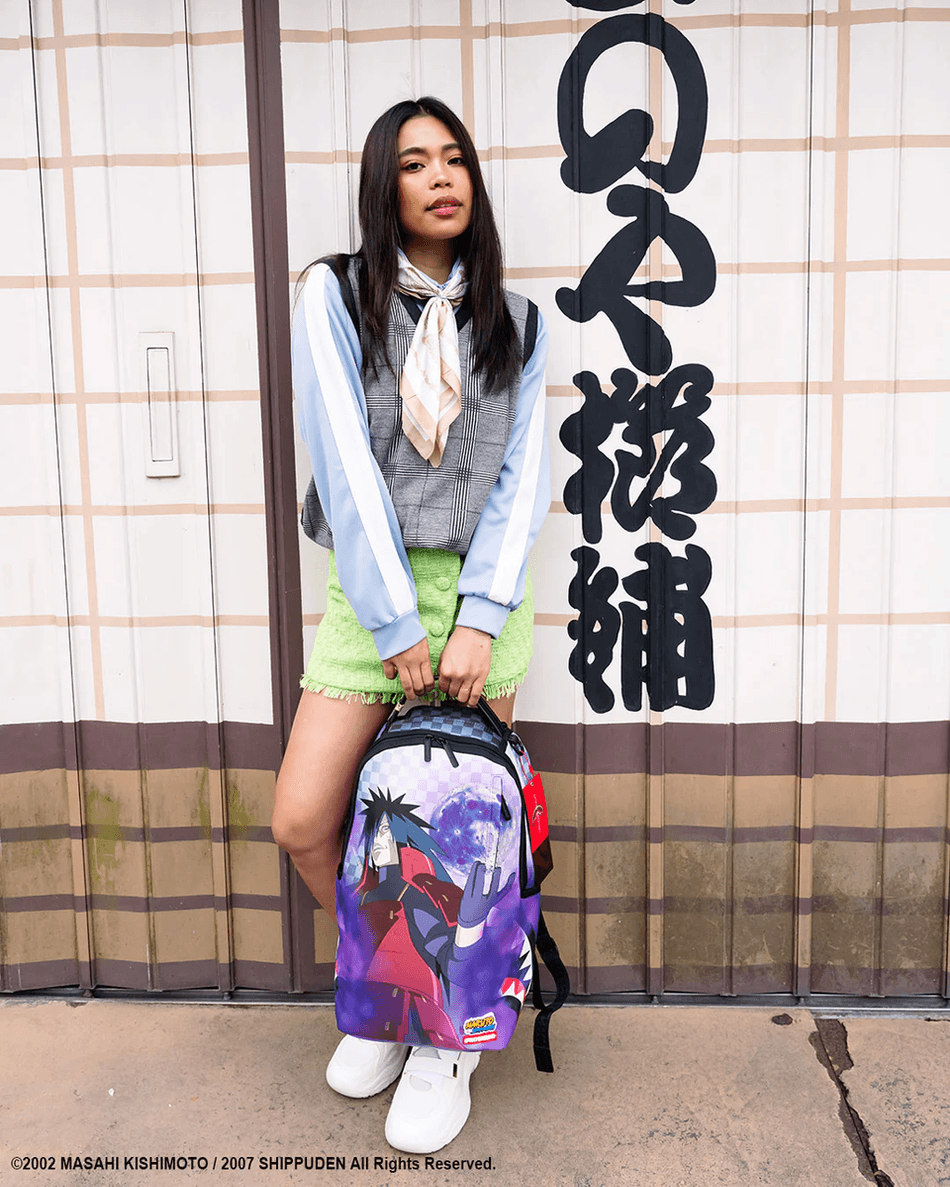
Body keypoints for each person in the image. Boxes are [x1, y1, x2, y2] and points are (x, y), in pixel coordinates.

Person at [271, 95, 550, 1155]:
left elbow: (521, 480)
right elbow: (342, 458)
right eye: (414, 162)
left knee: (458, 833)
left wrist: (480, 618)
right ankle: (393, 988)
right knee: (305, 817)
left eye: (454, 159)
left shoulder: (517, 321)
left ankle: (447, 1038)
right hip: (370, 593)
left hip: (480, 599)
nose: (440, 177)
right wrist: (392, 621)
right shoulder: (334, 294)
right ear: (383, 185)